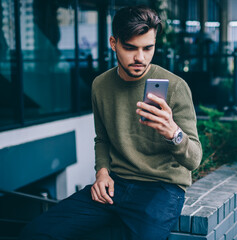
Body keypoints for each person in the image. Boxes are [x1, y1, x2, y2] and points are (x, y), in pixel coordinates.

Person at [20, 5, 202, 240]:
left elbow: (194, 159)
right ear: (113, 43)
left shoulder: (175, 87)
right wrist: (102, 173)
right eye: (130, 48)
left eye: (148, 48)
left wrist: (173, 133)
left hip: (161, 188)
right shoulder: (100, 85)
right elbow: (103, 139)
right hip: (116, 184)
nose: (140, 58)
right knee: (36, 232)